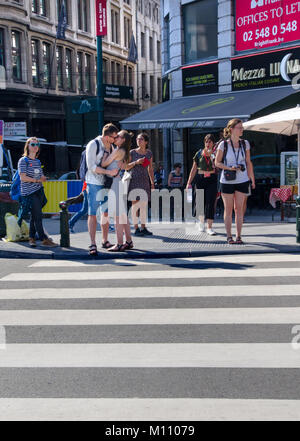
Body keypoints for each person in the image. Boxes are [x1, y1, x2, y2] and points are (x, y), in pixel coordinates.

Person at [215, 119, 255, 244]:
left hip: (242, 179)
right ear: (231, 129)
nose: (242, 129)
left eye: (242, 127)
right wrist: (229, 168)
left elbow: (248, 162)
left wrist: (251, 178)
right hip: (227, 180)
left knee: (239, 209)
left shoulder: (245, 143)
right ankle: (229, 236)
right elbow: (217, 163)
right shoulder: (224, 145)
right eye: (239, 127)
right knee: (228, 209)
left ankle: (238, 236)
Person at [85, 123, 119, 256]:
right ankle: (92, 243)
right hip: (93, 182)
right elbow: (91, 166)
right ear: (106, 136)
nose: (115, 139)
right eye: (113, 137)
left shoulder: (111, 146)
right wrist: (108, 172)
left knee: (105, 212)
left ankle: (105, 240)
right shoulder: (93, 144)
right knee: (92, 213)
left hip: (105, 182)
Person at [18, 137, 58, 247]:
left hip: (39, 191)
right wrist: (37, 180)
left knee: (34, 216)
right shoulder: (23, 160)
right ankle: (44, 239)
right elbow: (23, 177)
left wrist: (43, 178)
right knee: (38, 216)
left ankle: (31, 238)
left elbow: (39, 174)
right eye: (33, 145)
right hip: (29, 193)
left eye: (37, 145)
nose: (35, 147)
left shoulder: (37, 161)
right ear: (28, 146)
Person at [101, 130, 134, 252]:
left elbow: (104, 163)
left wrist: (105, 154)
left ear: (123, 139)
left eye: (118, 136)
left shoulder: (118, 151)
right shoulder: (125, 152)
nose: (115, 137)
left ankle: (119, 243)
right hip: (120, 182)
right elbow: (125, 167)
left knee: (117, 216)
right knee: (123, 215)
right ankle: (129, 241)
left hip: (114, 183)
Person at [186, 134, 218, 235]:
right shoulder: (199, 153)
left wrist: (214, 158)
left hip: (212, 179)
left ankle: (209, 227)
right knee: (199, 202)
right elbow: (194, 169)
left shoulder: (215, 153)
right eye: (206, 142)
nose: (208, 144)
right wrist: (188, 182)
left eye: (210, 142)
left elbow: (217, 166)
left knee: (210, 202)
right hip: (200, 179)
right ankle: (200, 222)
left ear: (213, 143)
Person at [127, 132, 155, 236]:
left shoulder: (149, 153)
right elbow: (126, 166)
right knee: (135, 206)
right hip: (134, 180)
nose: (138, 140)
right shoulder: (132, 153)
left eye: (141, 139)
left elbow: (150, 169)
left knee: (143, 206)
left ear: (146, 142)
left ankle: (143, 227)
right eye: (138, 139)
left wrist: (152, 183)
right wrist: (136, 162)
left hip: (144, 181)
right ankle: (136, 228)